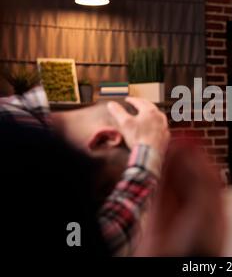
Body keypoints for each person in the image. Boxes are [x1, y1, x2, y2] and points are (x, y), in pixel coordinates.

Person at [0, 86, 170, 255]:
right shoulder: (19, 141)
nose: (93, 209)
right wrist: (146, 155)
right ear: (104, 139)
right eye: (104, 188)